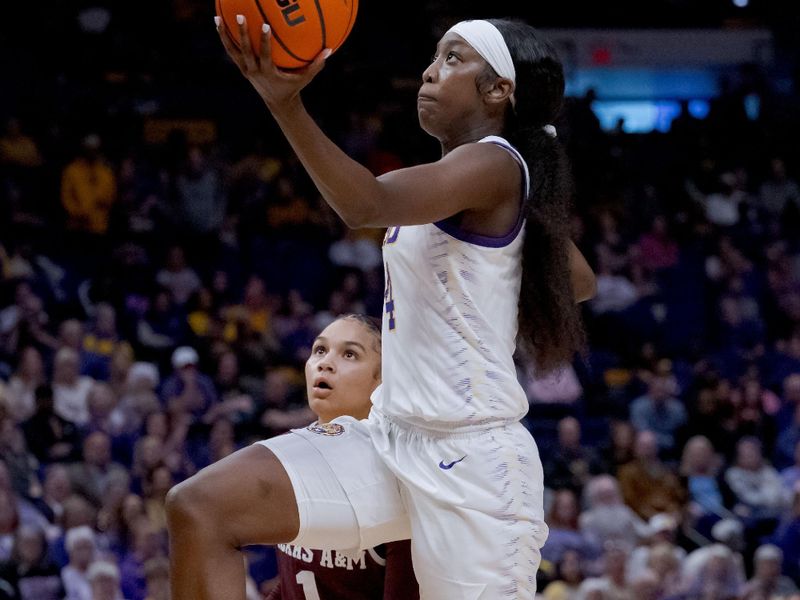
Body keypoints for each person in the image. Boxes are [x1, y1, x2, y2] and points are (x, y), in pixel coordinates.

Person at [168, 16, 596, 599]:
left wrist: (286, 105)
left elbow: (364, 203)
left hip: (473, 464)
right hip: (392, 437)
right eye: (434, 55)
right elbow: (578, 279)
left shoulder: (495, 162)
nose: (428, 70)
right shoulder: (477, 179)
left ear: (499, 90)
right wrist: (496, 276)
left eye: (452, 58)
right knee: (201, 507)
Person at [262, 314, 418, 599]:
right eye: (319, 350)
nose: (325, 362)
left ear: (384, 378)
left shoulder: (399, 474)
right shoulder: (289, 454)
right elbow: (292, 582)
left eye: (349, 354)